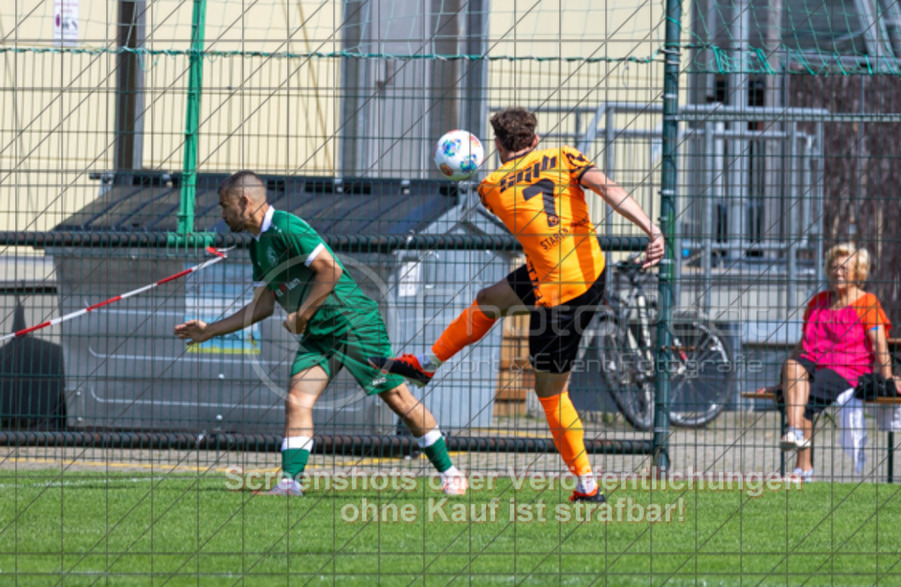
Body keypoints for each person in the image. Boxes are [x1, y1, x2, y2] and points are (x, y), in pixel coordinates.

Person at [369, 107, 665, 503]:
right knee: (490, 299)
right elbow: (609, 189)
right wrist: (652, 230)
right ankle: (428, 362)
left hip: (561, 295)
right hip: (586, 270)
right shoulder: (564, 157)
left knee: (551, 394)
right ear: (535, 140)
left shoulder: (490, 187)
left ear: (495, 145)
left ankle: (587, 484)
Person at [174, 171, 466, 497]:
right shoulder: (259, 246)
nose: (222, 214)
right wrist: (209, 330)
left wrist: (303, 313)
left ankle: (451, 473)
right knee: (298, 399)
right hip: (319, 334)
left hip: (352, 323)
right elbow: (261, 307)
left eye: (225, 206)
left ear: (245, 202)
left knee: (396, 397)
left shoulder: (287, 227)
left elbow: (331, 268)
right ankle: (289, 484)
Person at [777, 242, 901, 482]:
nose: (838, 272)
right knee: (792, 366)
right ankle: (794, 431)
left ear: (858, 273)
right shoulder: (817, 302)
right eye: (834, 267)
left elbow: (880, 346)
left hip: (847, 368)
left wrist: (888, 377)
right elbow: (803, 344)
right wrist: (783, 380)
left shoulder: (867, 303)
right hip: (815, 362)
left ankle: (803, 469)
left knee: (808, 396)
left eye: (845, 268)